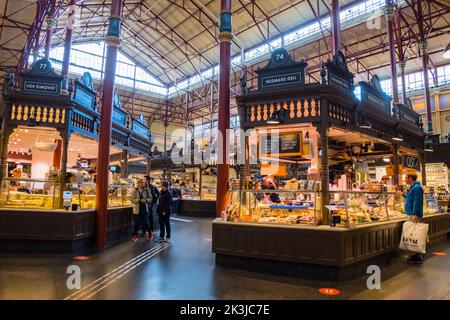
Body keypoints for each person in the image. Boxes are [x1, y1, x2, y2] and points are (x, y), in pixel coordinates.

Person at [398, 173, 424, 263]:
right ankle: (417, 254)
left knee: (416, 234)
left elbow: (417, 202)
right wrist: (403, 194)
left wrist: (415, 214)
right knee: (414, 234)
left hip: (414, 215)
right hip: (412, 214)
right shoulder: (413, 187)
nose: (405, 179)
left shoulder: (417, 188)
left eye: (406, 178)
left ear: (410, 178)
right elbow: (411, 198)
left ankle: (419, 256)